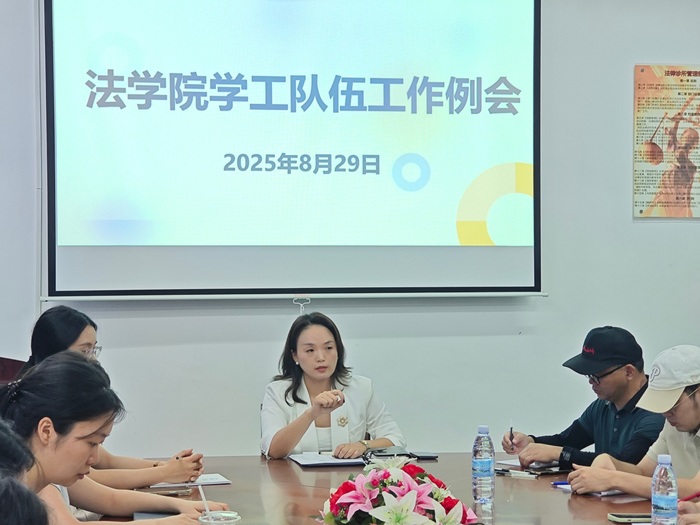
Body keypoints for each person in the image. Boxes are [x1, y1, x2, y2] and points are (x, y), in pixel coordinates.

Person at [0, 351, 228, 524]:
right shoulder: (12, 491)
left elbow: (110, 499)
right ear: (46, 431)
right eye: (91, 443)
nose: (95, 458)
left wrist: (180, 506)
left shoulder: (44, 474)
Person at [17, 305, 204, 490]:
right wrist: (165, 473)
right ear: (55, 352)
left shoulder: (63, 396)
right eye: (85, 351)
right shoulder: (39, 405)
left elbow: (108, 461)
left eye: (94, 349)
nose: (93, 359)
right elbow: (91, 481)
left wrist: (167, 467)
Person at [502, 326, 664, 469]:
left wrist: (560, 454)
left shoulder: (658, 410)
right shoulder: (603, 405)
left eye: (597, 376)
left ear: (628, 372)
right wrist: (531, 442)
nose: (591, 382)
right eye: (588, 375)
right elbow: (567, 440)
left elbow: (626, 463)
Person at [261, 312, 406, 459]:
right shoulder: (277, 392)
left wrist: (363, 445)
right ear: (295, 356)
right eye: (310, 350)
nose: (321, 358)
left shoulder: (361, 388)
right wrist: (311, 414)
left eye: (329, 348)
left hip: (349, 473)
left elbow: (396, 440)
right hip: (292, 474)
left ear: (338, 350)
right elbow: (273, 450)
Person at [568, 345, 700, 500]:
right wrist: (611, 463)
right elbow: (643, 472)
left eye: (672, 404)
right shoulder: (673, 426)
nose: (666, 413)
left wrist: (613, 479)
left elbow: (695, 489)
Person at [642, 105, 700, 218]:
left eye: (693, 141)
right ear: (681, 138)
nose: (689, 142)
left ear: (694, 147)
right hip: (665, 198)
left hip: (680, 204)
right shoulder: (673, 148)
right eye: (687, 138)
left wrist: (688, 210)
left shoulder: (692, 167)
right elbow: (673, 132)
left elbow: (688, 192)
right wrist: (677, 120)